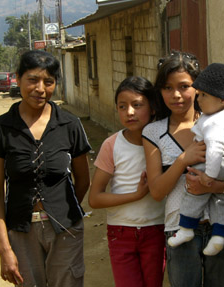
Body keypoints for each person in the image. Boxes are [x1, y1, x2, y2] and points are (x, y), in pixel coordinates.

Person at [0, 50, 91, 287]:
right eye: (32, 79)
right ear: (18, 79)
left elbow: (83, 180)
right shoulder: (0, 129)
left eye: (48, 82)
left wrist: (63, 211)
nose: (40, 88)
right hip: (21, 231)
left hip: (65, 230)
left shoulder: (70, 125)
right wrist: (4, 249)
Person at [142, 51, 224, 287]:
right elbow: (156, 191)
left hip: (221, 228)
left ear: (198, 87)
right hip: (180, 231)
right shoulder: (154, 132)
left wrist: (215, 185)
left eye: (184, 86)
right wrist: (183, 160)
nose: (176, 95)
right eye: (167, 87)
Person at [88, 76, 165, 287]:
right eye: (122, 106)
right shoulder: (112, 145)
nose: (129, 112)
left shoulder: (164, 143)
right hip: (120, 233)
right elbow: (95, 198)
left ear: (153, 108)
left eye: (137, 105)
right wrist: (137, 195)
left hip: (156, 231)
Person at [167, 63, 224, 256]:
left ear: (221, 99)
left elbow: (214, 150)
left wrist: (208, 176)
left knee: (195, 191)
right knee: (223, 198)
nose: (198, 98)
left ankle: (186, 229)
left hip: (217, 164)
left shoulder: (214, 123)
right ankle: (220, 235)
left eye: (204, 95)